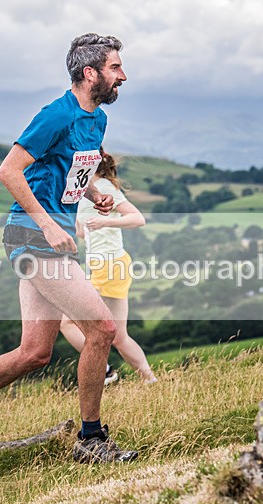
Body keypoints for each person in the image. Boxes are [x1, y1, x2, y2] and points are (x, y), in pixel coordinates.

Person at [0, 33, 137, 469]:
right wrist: (49, 224)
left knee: (34, 353)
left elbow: (74, 167)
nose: (122, 76)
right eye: (115, 67)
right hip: (33, 237)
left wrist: (94, 194)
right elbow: (9, 171)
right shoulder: (56, 115)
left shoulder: (96, 120)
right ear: (90, 73)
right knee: (103, 330)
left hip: (49, 239)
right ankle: (91, 440)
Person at [60, 150, 158, 384]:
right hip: (107, 265)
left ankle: (104, 369)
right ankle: (150, 381)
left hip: (109, 266)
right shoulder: (84, 191)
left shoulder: (104, 187)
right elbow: (83, 231)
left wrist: (105, 221)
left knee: (67, 322)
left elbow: (138, 218)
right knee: (119, 337)